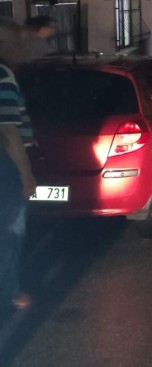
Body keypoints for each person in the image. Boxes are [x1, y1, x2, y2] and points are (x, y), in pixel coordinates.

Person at [0, 38, 38, 311]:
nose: (23, 48)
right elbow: (9, 130)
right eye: (19, 43)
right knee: (10, 233)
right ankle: (10, 292)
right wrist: (26, 174)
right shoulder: (3, 76)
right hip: (6, 167)